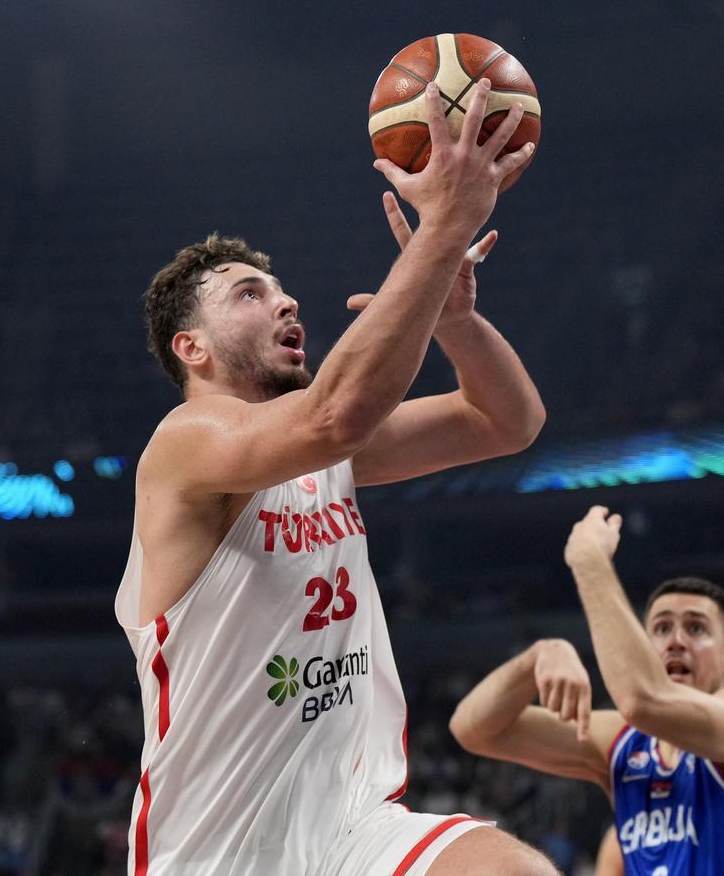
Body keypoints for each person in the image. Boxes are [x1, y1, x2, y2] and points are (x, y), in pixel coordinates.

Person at [113, 79, 556, 876]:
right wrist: (443, 227)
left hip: (353, 825)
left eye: (284, 293)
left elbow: (506, 421)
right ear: (191, 348)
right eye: (251, 295)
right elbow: (335, 414)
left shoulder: (322, 453)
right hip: (222, 851)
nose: (286, 305)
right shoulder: (184, 446)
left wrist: (456, 321)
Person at [451, 506, 724, 875]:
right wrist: (536, 658)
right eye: (662, 628)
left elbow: (641, 700)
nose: (676, 641)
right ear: (644, 648)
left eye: (696, 628)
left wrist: (590, 561)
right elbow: (474, 730)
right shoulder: (622, 741)